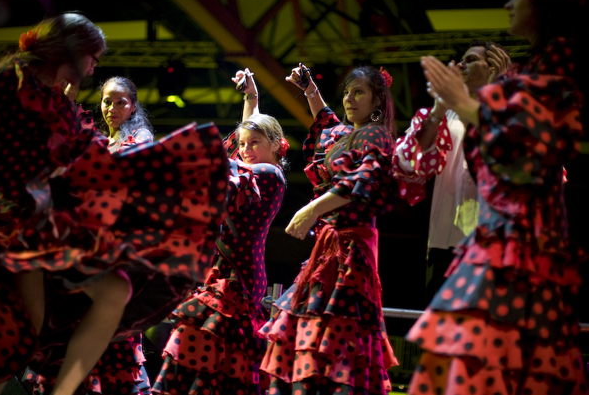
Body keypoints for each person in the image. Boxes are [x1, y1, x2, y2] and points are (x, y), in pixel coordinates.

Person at [0, 13, 229, 395]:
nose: (94, 67)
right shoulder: (9, 81)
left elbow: (88, 157)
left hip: (39, 225)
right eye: (92, 57)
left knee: (112, 294)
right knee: (15, 335)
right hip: (6, 223)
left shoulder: (55, 99)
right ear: (70, 52)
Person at [407, 0, 588, 394]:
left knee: (489, 356)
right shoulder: (533, 68)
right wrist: (448, 106)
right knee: (482, 357)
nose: (508, 4)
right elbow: (412, 161)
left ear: (544, 5)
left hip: (520, 235)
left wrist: (464, 103)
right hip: (488, 235)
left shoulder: (559, 59)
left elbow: (529, 138)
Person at [258, 64, 399, 394]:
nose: (349, 98)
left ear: (378, 99)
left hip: (352, 250)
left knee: (337, 333)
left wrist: (311, 210)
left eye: (359, 92)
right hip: (328, 248)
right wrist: (310, 90)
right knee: (310, 331)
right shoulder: (348, 134)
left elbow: (359, 183)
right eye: (347, 92)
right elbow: (327, 121)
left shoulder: (376, 136)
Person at [153, 69, 287, 395]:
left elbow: (231, 173)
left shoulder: (270, 174)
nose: (245, 149)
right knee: (198, 355)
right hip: (216, 274)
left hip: (238, 279)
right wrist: (250, 99)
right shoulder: (244, 167)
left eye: (254, 143)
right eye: (241, 145)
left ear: (275, 146)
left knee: (213, 360)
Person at [24, 76, 155, 395]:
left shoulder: (139, 135)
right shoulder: (98, 139)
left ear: (133, 106)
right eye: (107, 101)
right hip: (85, 241)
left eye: (120, 101)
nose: (112, 108)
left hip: (115, 246)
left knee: (107, 324)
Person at [393, 41, 511, 304]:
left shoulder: (510, 112)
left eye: (470, 60)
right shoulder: (443, 114)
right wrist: (437, 110)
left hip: (495, 240)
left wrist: (497, 92)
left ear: (492, 67)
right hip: (446, 239)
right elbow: (406, 163)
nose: (459, 65)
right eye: (460, 60)